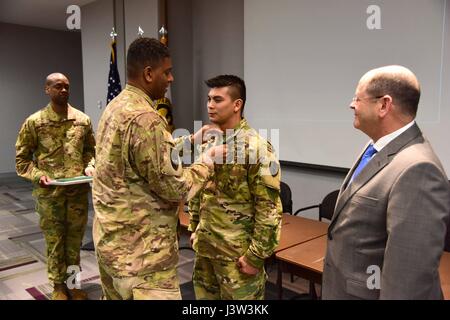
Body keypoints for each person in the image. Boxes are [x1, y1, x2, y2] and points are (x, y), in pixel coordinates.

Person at [92, 37, 224, 300]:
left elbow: (145, 156)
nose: (171, 79)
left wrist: (191, 140)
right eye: (167, 72)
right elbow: (176, 188)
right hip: (143, 260)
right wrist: (207, 161)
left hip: (112, 247)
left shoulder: (115, 108)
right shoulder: (146, 118)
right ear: (148, 74)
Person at [322, 65, 450, 299]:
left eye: (357, 98)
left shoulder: (419, 169)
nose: (352, 105)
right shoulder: (377, 147)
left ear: (384, 105)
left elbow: (408, 280)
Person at [188, 75, 283, 300]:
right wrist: (194, 227)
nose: (210, 105)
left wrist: (256, 256)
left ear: (237, 105)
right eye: (209, 99)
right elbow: (199, 191)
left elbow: (268, 209)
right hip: (206, 251)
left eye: (218, 99)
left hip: (236, 258)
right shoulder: (210, 141)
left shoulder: (257, 148)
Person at [15, 73, 96, 300]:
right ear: (47, 89)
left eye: (66, 87)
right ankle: (58, 287)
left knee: (74, 241)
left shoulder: (82, 120)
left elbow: (92, 150)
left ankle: (73, 284)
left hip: (77, 192)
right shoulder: (35, 122)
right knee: (55, 242)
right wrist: (38, 175)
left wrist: (90, 165)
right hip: (50, 195)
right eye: (58, 86)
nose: (63, 91)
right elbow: (22, 160)